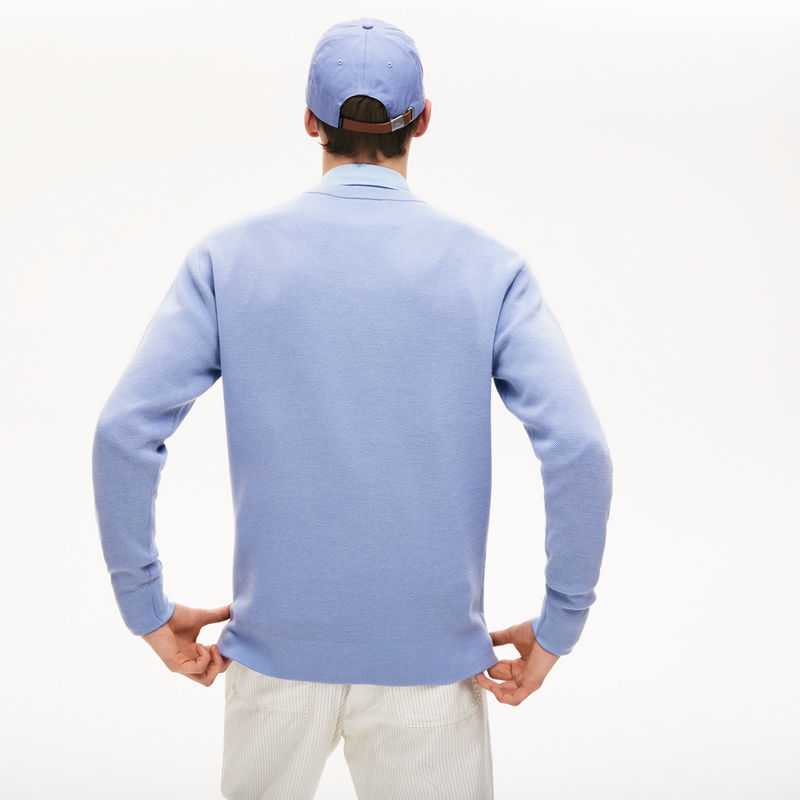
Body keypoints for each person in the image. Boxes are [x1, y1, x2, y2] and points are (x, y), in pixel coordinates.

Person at [91, 15, 613, 800]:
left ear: (310, 121)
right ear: (423, 120)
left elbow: (122, 433)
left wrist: (146, 608)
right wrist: (560, 621)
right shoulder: (489, 269)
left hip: (273, 659)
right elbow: (579, 450)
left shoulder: (229, 260)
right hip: (432, 670)